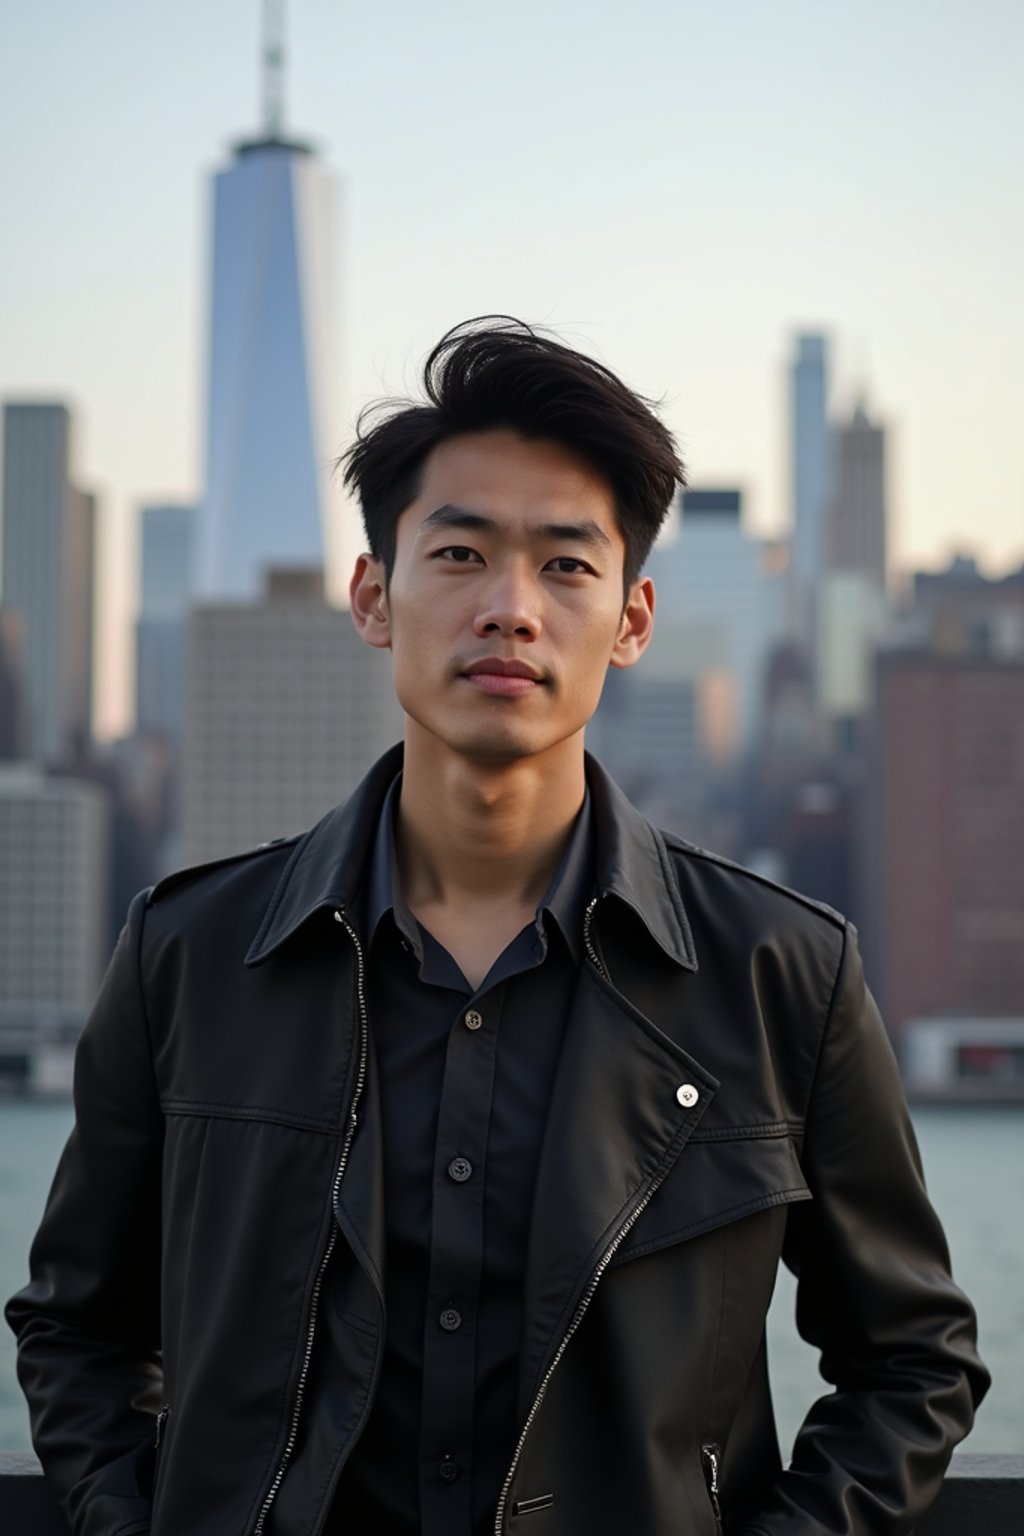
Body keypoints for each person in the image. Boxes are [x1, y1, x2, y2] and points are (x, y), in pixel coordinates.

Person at [8, 318, 987, 1536]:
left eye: (566, 566)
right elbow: (75, 1328)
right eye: (460, 553)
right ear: (375, 596)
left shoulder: (780, 971)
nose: (511, 609)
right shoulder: (188, 953)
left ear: (630, 622)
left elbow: (911, 1362)